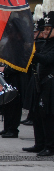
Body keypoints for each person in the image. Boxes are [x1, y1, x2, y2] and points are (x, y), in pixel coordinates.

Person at [26, 14, 54, 156]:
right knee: (37, 113)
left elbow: (47, 59)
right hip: (40, 82)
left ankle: (50, 146)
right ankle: (40, 143)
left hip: (51, 84)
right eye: (45, 29)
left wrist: (32, 54)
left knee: (48, 115)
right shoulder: (45, 44)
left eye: (49, 29)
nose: (45, 31)